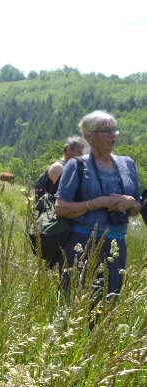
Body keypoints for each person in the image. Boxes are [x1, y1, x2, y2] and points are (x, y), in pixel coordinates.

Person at [55, 111, 141, 304]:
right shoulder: (76, 165)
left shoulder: (127, 164)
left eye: (114, 130)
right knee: (73, 305)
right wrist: (98, 203)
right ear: (89, 137)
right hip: (82, 244)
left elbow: (136, 208)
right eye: (106, 131)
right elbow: (60, 208)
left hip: (117, 246)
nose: (113, 136)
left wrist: (129, 202)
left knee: (107, 308)